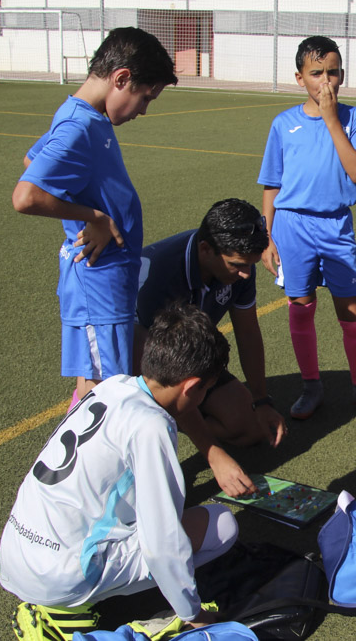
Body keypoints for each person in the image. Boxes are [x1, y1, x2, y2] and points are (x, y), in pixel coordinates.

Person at [0, 304, 236, 641]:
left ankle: (59, 601)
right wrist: (192, 613)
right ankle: (66, 616)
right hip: (59, 575)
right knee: (221, 525)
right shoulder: (152, 425)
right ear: (191, 387)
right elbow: (162, 541)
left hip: (14, 555)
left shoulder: (110, 387)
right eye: (204, 391)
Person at [13, 28, 177, 404]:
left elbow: (32, 159)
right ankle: (86, 463)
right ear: (121, 78)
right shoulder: (80, 124)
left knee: (105, 385)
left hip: (109, 280)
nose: (144, 110)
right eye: (145, 97)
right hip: (96, 282)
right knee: (103, 393)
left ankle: (91, 461)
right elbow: (26, 195)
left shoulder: (83, 115)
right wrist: (94, 217)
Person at [258, 36, 356, 422]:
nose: (325, 81)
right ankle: (311, 385)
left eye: (332, 72)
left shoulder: (355, 118)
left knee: (350, 309)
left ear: (342, 75)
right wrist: (267, 237)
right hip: (291, 227)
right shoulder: (284, 124)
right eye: (316, 73)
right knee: (301, 307)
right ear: (300, 78)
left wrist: (333, 120)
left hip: (335, 226)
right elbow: (272, 185)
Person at [135, 198, 287, 497]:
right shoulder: (159, 277)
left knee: (249, 428)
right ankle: (165, 422)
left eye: (250, 266)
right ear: (206, 250)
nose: (245, 274)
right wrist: (212, 452)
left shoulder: (241, 265)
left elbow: (247, 331)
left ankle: (179, 419)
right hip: (143, 367)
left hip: (190, 362)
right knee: (154, 433)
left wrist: (261, 399)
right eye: (237, 266)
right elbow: (163, 373)